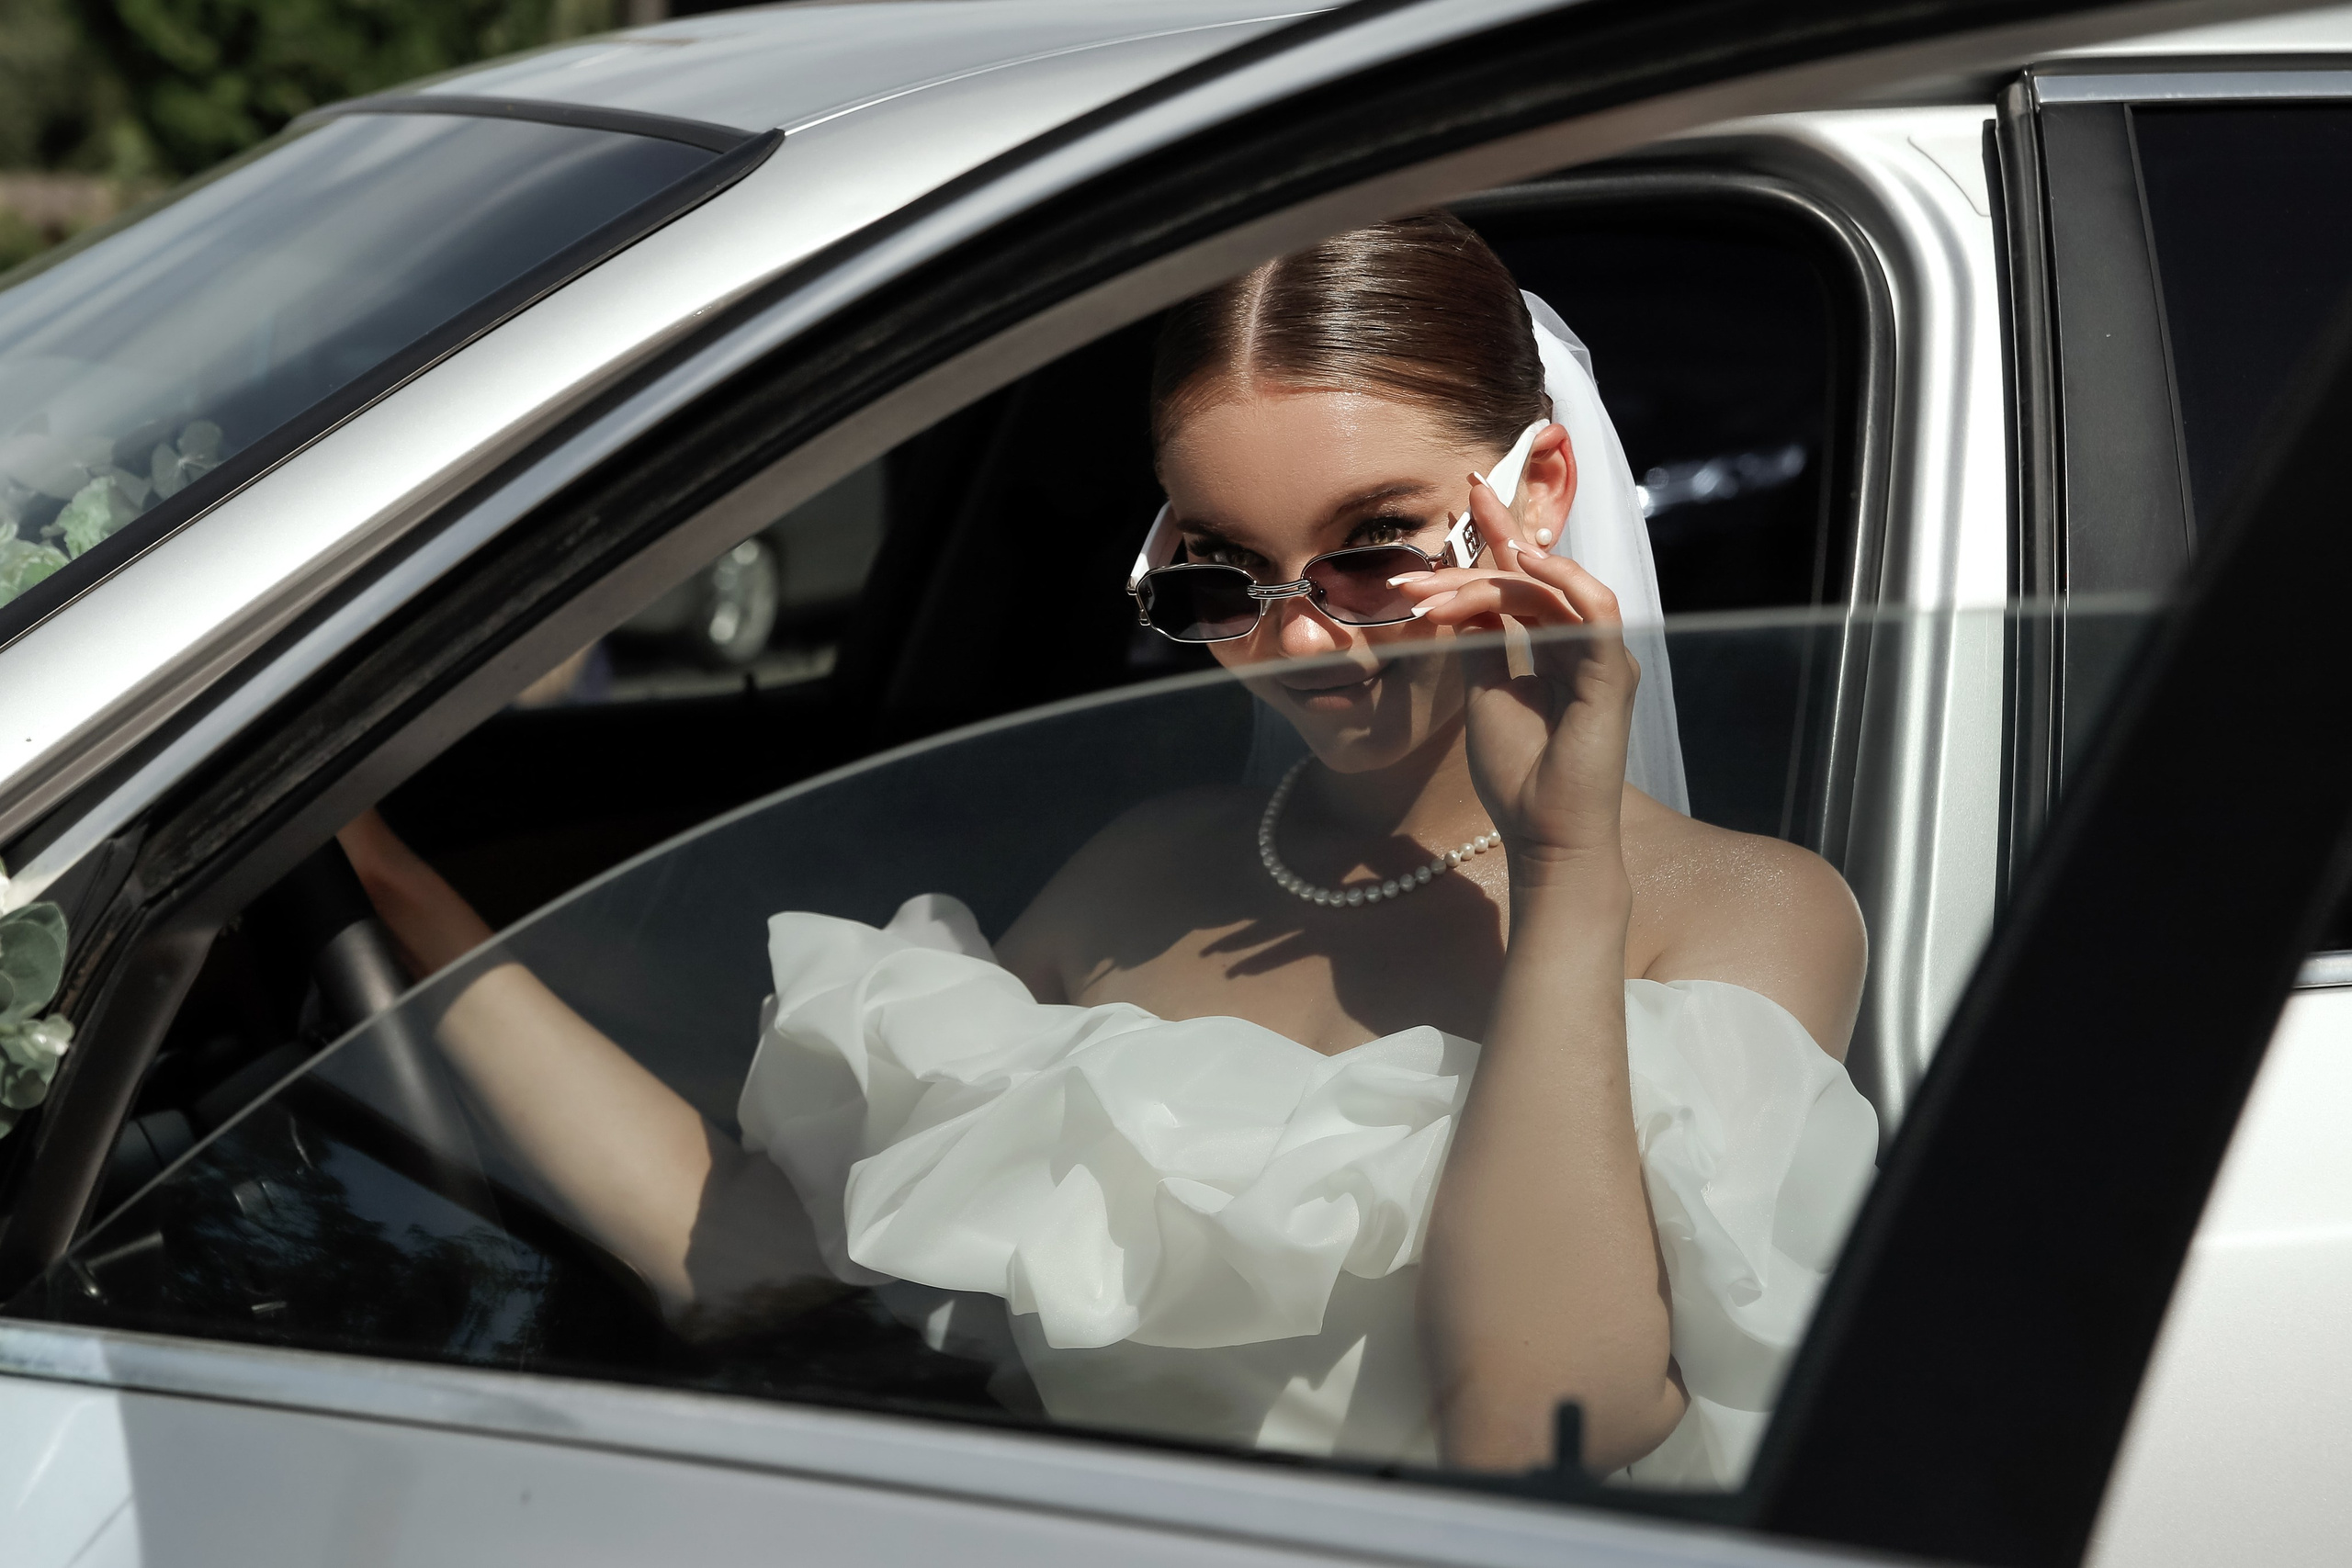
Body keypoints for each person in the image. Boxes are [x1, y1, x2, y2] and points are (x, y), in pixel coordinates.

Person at [339, 212, 1874, 1487]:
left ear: (1537, 491)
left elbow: (1537, 1429)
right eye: (1217, 579)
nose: (1300, 643)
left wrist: (1562, 875)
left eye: (1375, 549)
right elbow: (751, 1259)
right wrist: (379, 887)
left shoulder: (1739, 914)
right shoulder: (1143, 871)